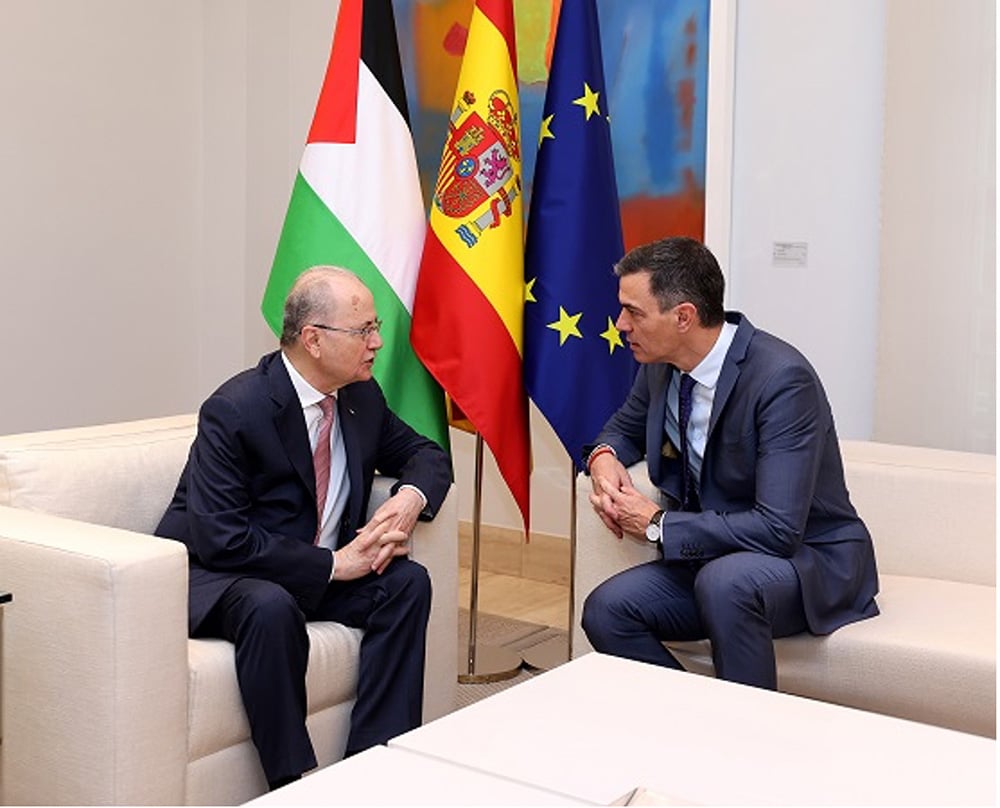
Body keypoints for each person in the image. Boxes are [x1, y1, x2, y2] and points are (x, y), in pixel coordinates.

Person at [155, 266, 452, 789]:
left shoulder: (361, 398)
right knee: (270, 605)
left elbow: (427, 454)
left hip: (306, 571)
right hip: (221, 574)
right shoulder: (237, 409)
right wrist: (336, 564)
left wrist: (409, 498)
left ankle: (377, 764)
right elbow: (221, 537)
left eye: (375, 327)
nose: (378, 342)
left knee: (406, 583)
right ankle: (295, 782)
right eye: (364, 331)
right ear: (313, 339)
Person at [582, 236, 878, 690]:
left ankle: (749, 743)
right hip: (713, 559)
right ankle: (698, 724)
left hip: (807, 561)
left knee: (726, 583)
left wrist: (660, 525)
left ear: (683, 317)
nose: (621, 324)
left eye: (634, 312)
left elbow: (779, 528)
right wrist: (603, 459)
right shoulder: (661, 365)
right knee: (607, 609)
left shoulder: (781, 380)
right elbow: (622, 429)